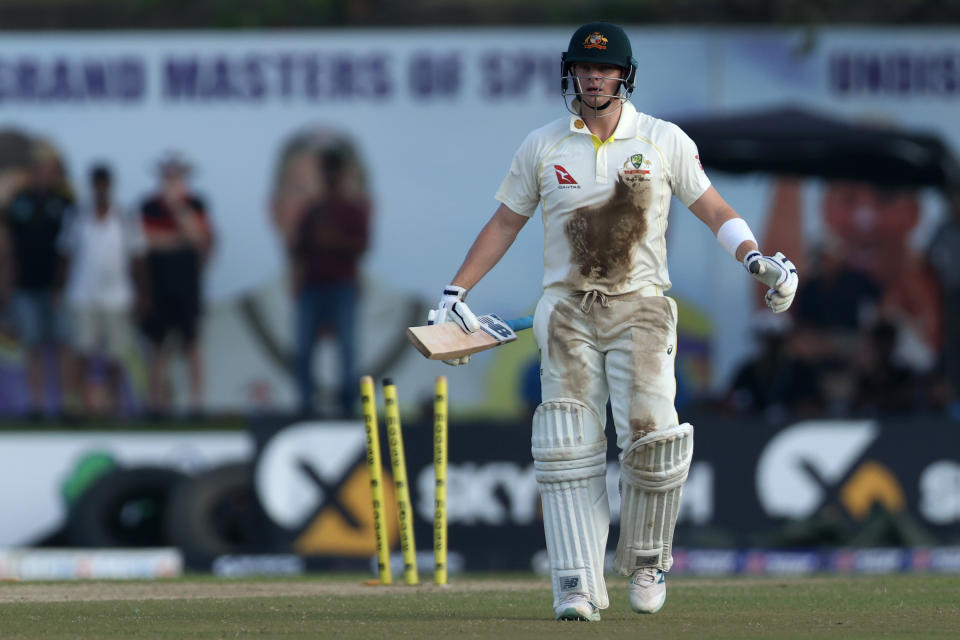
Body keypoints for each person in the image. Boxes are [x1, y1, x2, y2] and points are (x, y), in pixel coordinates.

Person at [427, 22, 798, 621]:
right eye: (584, 67)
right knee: (567, 447)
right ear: (570, 72)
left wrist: (753, 256)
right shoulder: (543, 145)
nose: (594, 77)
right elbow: (504, 223)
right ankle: (576, 582)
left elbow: (712, 206)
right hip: (566, 311)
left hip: (642, 307)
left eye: (605, 69)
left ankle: (648, 560)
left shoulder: (661, 139)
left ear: (625, 75)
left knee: (653, 437)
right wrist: (456, 289)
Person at [59, 164, 147, 417]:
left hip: (117, 297)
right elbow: (65, 254)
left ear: (110, 185)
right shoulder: (77, 215)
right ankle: (77, 406)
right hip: (83, 296)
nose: (100, 189)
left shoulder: (125, 217)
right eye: (96, 183)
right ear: (91, 185)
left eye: (104, 183)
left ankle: (115, 405)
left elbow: (138, 258)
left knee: (116, 356)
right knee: (81, 353)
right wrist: (60, 289)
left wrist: (142, 293)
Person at [289, 146, 371, 417]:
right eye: (327, 174)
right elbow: (297, 248)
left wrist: (332, 240)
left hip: (342, 285)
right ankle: (306, 405)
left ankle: (347, 406)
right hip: (313, 285)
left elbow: (362, 245)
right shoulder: (314, 210)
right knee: (303, 349)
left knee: (347, 348)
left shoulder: (351, 210)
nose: (331, 180)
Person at [138, 152, 214, 416]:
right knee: (157, 346)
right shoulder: (149, 206)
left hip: (187, 286)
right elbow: (148, 240)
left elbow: (200, 238)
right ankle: (157, 404)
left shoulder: (196, 204)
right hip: (158, 286)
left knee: (192, 344)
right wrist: (180, 239)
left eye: (177, 175)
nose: (172, 180)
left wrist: (178, 209)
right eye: (168, 175)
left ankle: (196, 404)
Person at [2, 142, 75, 418]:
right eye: (39, 169)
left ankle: (68, 404)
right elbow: (8, 248)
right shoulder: (19, 202)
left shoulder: (66, 203)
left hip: (57, 288)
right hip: (24, 287)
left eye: (49, 170)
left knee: (62, 345)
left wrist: (62, 286)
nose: (44, 175)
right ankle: (37, 404)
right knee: (32, 345)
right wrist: (6, 287)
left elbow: (71, 251)